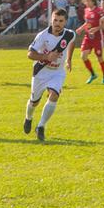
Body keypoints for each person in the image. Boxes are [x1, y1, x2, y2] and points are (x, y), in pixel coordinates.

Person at [24, 8, 77, 140]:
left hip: (57, 73)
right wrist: (46, 57)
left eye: (61, 21)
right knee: (34, 102)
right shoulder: (42, 35)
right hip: (41, 72)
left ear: (65, 22)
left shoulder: (70, 34)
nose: (57, 23)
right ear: (51, 20)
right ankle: (28, 117)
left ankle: (41, 126)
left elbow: (72, 43)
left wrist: (69, 59)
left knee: (54, 95)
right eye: (55, 20)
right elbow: (30, 54)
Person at [75, 0, 104, 84]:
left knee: (100, 58)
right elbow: (87, 23)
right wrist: (81, 28)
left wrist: (97, 28)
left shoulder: (99, 11)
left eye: (88, 0)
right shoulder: (86, 10)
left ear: (93, 1)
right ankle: (93, 74)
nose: (86, 2)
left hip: (97, 38)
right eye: (86, 0)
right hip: (88, 37)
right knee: (83, 56)